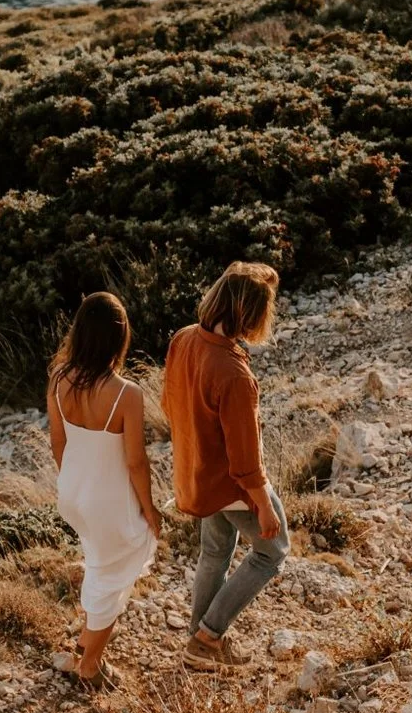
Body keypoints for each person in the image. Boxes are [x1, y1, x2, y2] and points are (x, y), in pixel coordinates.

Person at [162, 260, 286, 672]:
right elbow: (246, 460)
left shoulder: (183, 339)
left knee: (214, 552)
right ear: (250, 313)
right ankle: (209, 635)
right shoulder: (234, 374)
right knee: (272, 551)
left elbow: (169, 404)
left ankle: (198, 643)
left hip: (198, 472)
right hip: (231, 483)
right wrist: (263, 505)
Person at [47, 291, 162, 689]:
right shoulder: (127, 393)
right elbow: (136, 462)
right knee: (114, 576)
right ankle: (90, 666)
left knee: (100, 565)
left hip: (73, 494)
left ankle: (85, 643)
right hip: (108, 502)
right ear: (119, 338)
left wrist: (74, 482)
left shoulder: (59, 379)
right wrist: (150, 509)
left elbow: (58, 442)